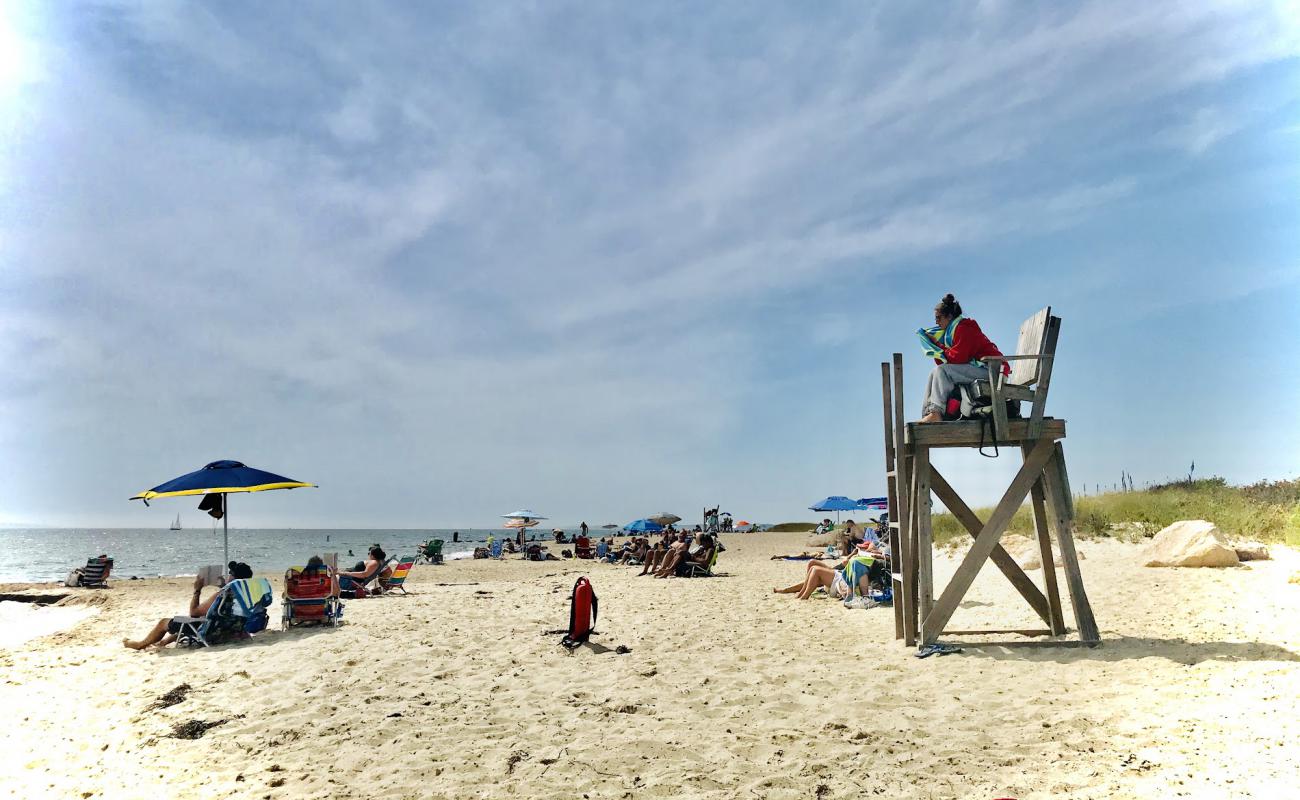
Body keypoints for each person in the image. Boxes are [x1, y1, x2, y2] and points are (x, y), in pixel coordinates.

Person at [919, 293, 1009, 423]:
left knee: (941, 371)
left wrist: (938, 345)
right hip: (984, 369)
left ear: (949, 317)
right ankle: (930, 413)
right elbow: (946, 361)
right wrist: (935, 348)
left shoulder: (964, 328)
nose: (936, 322)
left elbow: (957, 358)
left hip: (993, 371)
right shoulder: (953, 331)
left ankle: (936, 413)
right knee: (935, 372)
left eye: (939, 318)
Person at [122, 563, 253, 649]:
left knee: (164, 622)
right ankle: (163, 642)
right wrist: (222, 585)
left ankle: (139, 645)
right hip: (232, 629)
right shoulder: (248, 593)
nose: (228, 574)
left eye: (230, 573)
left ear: (233, 577)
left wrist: (197, 590)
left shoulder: (224, 595)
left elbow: (194, 612)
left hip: (212, 632)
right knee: (191, 620)